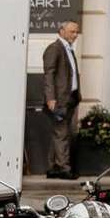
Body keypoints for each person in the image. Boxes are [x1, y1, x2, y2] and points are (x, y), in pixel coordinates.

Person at [41, 19, 83, 179]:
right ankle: (64, 169)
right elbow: (49, 74)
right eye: (72, 31)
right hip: (59, 99)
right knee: (61, 133)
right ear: (61, 31)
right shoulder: (54, 48)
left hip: (70, 97)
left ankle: (53, 167)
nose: (75, 34)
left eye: (77, 31)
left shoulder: (68, 49)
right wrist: (50, 98)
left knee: (59, 134)